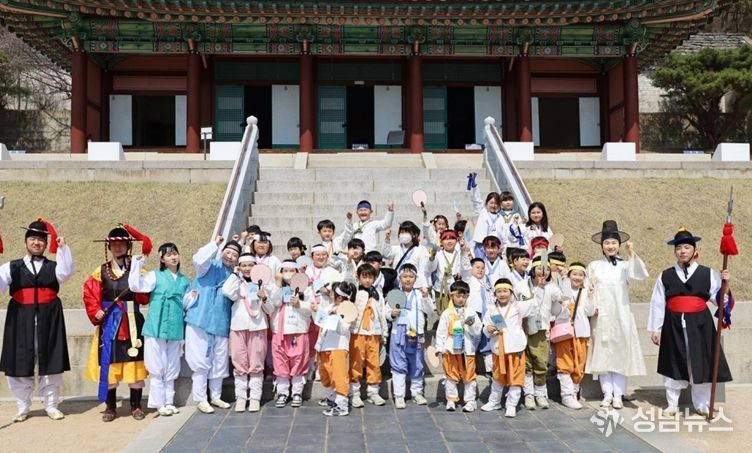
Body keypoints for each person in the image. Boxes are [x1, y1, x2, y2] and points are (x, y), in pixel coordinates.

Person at [648, 228, 733, 417]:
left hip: (701, 324)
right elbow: (657, 303)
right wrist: (656, 328)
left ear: (694, 250)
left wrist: (726, 284)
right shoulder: (665, 275)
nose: (682, 251)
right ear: (675, 251)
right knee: (673, 361)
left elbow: (719, 300)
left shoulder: (708, 273)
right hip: (673, 324)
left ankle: (701, 404)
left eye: (687, 247)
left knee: (700, 361)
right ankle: (672, 404)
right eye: (679, 248)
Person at [0, 219, 74, 422]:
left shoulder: (54, 267)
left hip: (49, 318)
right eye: (32, 238)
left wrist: (63, 249)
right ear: (26, 242)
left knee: (50, 359)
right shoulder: (11, 267)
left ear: (45, 243)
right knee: (19, 360)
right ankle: (23, 406)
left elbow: (66, 273)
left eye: (41, 239)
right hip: (20, 318)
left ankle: (51, 405)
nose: (36, 243)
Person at [83, 225, 151, 422]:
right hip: (110, 322)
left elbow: (144, 297)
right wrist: (96, 309)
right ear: (109, 247)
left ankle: (136, 405)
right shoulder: (100, 271)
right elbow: (89, 293)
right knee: (109, 363)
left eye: (122, 244)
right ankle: (110, 407)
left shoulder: (138, 269)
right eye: (114, 244)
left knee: (134, 361)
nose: (118, 247)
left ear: (128, 246)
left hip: (132, 322)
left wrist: (139, 277)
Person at [585, 220, 648, 409]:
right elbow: (588, 289)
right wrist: (592, 305)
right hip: (601, 316)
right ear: (601, 245)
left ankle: (619, 394)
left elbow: (639, 275)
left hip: (621, 315)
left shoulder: (625, 265)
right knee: (603, 355)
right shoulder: (594, 266)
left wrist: (631, 254)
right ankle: (607, 394)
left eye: (614, 242)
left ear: (619, 244)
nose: (610, 246)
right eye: (607, 243)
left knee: (620, 354)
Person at [129, 243, 190, 417]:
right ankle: (159, 403)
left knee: (172, 363)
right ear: (162, 259)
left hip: (175, 323)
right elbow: (135, 286)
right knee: (157, 364)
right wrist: (136, 265)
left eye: (175, 253)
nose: (173, 257)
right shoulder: (154, 276)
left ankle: (169, 401)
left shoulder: (184, 280)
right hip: (157, 322)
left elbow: (186, 302)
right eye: (168, 254)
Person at [184, 236, 240, 414]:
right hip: (200, 319)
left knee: (219, 361)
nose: (230, 257)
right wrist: (215, 244)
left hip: (220, 321)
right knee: (200, 361)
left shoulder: (234, 274)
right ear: (222, 252)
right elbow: (198, 259)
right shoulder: (208, 266)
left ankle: (216, 396)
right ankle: (201, 398)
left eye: (234, 255)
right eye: (228, 252)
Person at [222, 252, 275, 413]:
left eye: (250, 265)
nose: (246, 269)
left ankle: (254, 398)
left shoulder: (263, 284)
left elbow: (270, 309)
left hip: (258, 327)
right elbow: (226, 291)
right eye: (243, 265)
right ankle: (241, 398)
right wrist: (235, 274)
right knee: (239, 362)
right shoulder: (236, 283)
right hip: (238, 327)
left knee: (256, 363)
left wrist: (264, 298)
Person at [481, 278, 536, 417]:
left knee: (515, 378)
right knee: (497, 377)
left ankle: (511, 404)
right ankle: (494, 401)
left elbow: (535, 303)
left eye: (505, 291)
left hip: (515, 349)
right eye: (499, 291)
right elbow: (485, 327)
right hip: (498, 349)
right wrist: (488, 329)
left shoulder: (518, 307)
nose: (502, 294)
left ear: (511, 293)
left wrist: (539, 285)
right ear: (495, 294)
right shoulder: (492, 309)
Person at [515, 255, 562, 410]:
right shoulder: (522, 285)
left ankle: (540, 393)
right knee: (527, 362)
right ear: (533, 269)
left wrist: (561, 279)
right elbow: (520, 306)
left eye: (547, 269)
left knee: (541, 362)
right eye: (540, 268)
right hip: (524, 327)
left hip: (541, 329)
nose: (543, 271)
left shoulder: (552, 287)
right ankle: (529, 394)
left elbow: (559, 304)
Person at [386, 263, 435, 408]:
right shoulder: (394, 294)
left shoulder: (420, 294)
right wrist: (391, 313)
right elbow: (385, 312)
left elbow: (429, 310)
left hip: (415, 334)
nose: (408, 279)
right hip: (398, 333)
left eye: (411, 277)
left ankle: (417, 393)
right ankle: (399, 395)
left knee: (417, 363)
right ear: (400, 278)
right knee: (398, 364)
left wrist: (426, 296)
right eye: (404, 276)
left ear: (415, 278)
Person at [551, 262, 595, 410]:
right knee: (565, 363)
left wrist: (591, 297)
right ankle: (567, 396)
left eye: (580, 275)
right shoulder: (561, 290)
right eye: (574, 274)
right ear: (569, 276)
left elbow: (589, 312)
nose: (577, 277)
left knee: (579, 363)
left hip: (581, 331)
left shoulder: (586, 292)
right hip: (564, 332)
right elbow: (555, 309)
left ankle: (574, 392)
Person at [270, 259, 314, 408]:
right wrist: (277, 284)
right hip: (280, 332)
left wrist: (299, 304)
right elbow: (273, 303)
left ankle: (297, 392)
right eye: (285, 271)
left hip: (298, 331)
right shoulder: (276, 287)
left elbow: (311, 309)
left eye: (291, 271)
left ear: (297, 273)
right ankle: (282, 392)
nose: (288, 274)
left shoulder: (306, 289)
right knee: (280, 362)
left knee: (299, 362)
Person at [435, 281, 482, 412]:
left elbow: (478, 330)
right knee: (450, 374)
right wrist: (439, 347)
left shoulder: (471, 312)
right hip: (451, 348)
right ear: (451, 295)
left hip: (467, 349)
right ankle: (451, 399)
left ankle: (470, 400)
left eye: (464, 296)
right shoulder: (446, 313)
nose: (461, 299)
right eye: (458, 296)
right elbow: (441, 331)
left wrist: (472, 324)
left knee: (469, 374)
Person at [313, 281, 357, 417]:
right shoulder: (330, 306)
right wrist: (317, 311)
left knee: (339, 376)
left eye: (332, 292)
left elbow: (344, 329)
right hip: (324, 345)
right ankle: (331, 398)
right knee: (326, 374)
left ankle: (342, 405)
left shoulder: (347, 309)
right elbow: (320, 320)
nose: (330, 294)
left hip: (338, 347)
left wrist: (337, 316)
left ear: (339, 296)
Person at [349, 264, 388, 407]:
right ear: (358, 278)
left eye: (370, 277)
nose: (367, 280)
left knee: (374, 362)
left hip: (373, 332)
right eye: (364, 277)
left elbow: (382, 314)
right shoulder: (355, 292)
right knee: (356, 362)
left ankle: (373, 392)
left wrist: (384, 333)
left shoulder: (378, 294)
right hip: (358, 332)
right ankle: (355, 393)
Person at [426, 229, 471, 315]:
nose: (449, 241)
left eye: (452, 238)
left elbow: (466, 268)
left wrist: (463, 252)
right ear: (441, 242)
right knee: (443, 315)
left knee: (458, 314)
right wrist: (432, 257)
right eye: (446, 239)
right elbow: (430, 269)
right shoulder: (438, 254)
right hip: (441, 290)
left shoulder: (459, 253)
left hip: (457, 291)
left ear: (456, 241)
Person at [467, 258, 493, 375]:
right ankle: (469, 370)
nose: (480, 270)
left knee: (487, 341)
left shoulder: (487, 282)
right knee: (472, 342)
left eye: (483, 268)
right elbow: (464, 267)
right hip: (474, 314)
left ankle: (490, 370)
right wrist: (465, 252)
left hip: (487, 314)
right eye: (477, 267)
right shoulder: (468, 279)